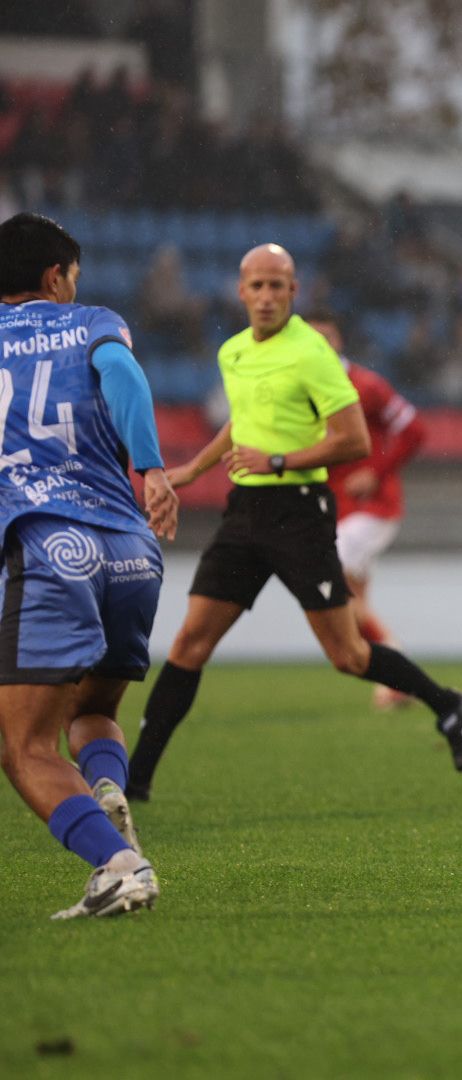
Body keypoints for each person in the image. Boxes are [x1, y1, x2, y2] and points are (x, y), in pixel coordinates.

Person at [126, 244, 462, 800]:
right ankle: (137, 779)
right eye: (257, 286)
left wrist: (278, 461)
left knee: (348, 655)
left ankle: (448, 705)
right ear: (241, 292)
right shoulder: (233, 352)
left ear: (293, 292)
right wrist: (193, 469)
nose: (267, 296)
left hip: (300, 514)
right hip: (245, 514)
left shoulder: (314, 353)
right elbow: (244, 421)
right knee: (190, 643)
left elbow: (354, 440)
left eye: (277, 286)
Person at [0, 212, 179, 918]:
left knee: (24, 746)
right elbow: (124, 376)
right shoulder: (94, 323)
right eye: (73, 276)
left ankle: (120, 865)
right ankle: (106, 789)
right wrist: (153, 470)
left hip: (50, 547)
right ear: (55, 277)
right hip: (131, 550)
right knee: (95, 709)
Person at [304, 309, 429, 710]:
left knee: (328, 581)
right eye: (310, 340)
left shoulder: (365, 385)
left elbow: (414, 430)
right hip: (337, 511)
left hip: (372, 508)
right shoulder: (302, 391)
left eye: (326, 338)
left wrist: (375, 472)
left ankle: (398, 666)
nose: (319, 347)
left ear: (339, 341)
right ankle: (392, 682)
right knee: (353, 601)